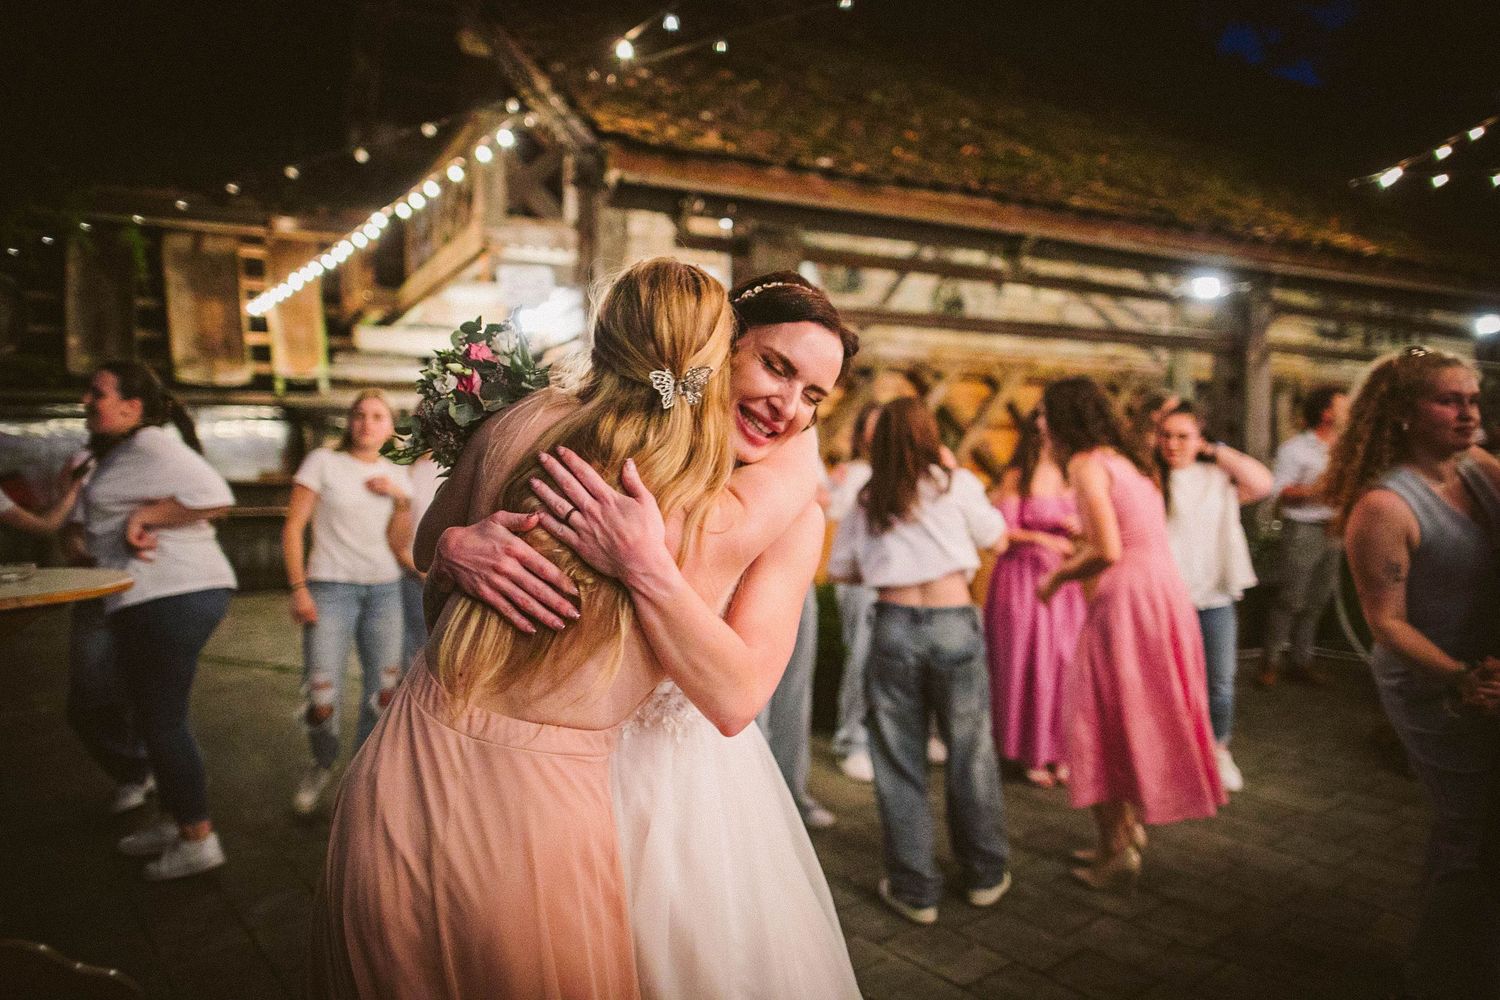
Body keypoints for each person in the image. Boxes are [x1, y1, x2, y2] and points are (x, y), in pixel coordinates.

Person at [418, 270, 862, 999]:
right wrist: (453, 548)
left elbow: (737, 697)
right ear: (717, 347)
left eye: (814, 396)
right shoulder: (582, 442)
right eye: (776, 367)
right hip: (511, 777)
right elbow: (430, 544)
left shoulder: (789, 513)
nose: (787, 407)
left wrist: (647, 567)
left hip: (676, 802)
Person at [1325, 346, 1500, 1000]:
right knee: (1469, 830)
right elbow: (1387, 624)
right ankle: (1440, 976)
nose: (1467, 413)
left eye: (1473, 399)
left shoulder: (1476, 468)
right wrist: (1460, 677)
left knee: (1474, 825)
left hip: (1483, 673)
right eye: (1449, 400)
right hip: (1436, 683)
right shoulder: (1384, 507)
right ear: (1402, 413)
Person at [827, 397, 1012, 925]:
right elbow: (997, 538)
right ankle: (983, 874)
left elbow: (842, 569)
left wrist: (893, 562)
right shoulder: (958, 485)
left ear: (878, 439)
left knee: (898, 759)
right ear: (932, 435)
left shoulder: (869, 496)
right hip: (955, 621)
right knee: (969, 753)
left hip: (894, 624)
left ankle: (914, 889)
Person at [1037, 376, 1223, 891]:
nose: (1039, 424)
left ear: (1065, 418)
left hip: (1127, 600)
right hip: (1162, 593)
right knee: (1129, 712)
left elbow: (1108, 551)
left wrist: (1056, 578)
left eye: (1044, 414)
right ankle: (1120, 836)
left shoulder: (1084, 464)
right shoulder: (1127, 461)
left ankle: (1117, 851)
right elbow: (1127, 532)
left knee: (1097, 717)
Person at [70, 361, 237, 880]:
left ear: (131, 406)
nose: (86, 401)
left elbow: (214, 496)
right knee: (151, 716)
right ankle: (174, 819)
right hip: (154, 594)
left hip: (171, 592)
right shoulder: (124, 452)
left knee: (162, 719)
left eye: (97, 393)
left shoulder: (152, 444)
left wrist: (145, 518)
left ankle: (197, 837)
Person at [281, 389, 414, 816]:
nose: (367, 423)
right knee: (322, 699)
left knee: (384, 694)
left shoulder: (399, 475)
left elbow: (398, 546)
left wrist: (399, 499)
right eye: (360, 415)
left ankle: (358, 778)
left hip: (384, 591)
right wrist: (299, 588)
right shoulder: (323, 462)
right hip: (329, 589)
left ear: (390, 427)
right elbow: (292, 528)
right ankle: (321, 763)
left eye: (378, 416)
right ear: (349, 421)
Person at [1155, 403, 1273, 793]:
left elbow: (1263, 483)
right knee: (1168, 682)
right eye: (1166, 435)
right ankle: (1171, 754)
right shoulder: (1152, 481)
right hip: (1166, 598)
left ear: (1199, 440)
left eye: (1182, 436)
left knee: (1219, 682)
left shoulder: (1217, 478)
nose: (1172, 444)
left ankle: (1218, 749)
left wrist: (1215, 450)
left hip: (1214, 597)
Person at [983, 409, 1085, 788]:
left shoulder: (1073, 474)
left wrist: (1077, 529)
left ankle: (1061, 750)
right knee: (1028, 665)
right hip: (1022, 580)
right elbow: (1002, 533)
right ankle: (1029, 752)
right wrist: (1044, 537)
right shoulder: (1017, 477)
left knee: (1065, 664)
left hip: (1064, 583)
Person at [1258, 384, 1349, 687]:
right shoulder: (1294, 449)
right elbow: (1281, 493)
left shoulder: (1347, 448)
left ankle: (1301, 661)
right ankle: (1269, 662)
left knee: (1318, 600)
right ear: (1326, 413)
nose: (1348, 410)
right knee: (1290, 599)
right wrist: (1322, 490)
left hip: (1334, 529)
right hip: (1303, 529)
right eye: (1342, 405)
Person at [827, 401, 882, 782]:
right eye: (872, 427)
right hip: (859, 580)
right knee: (861, 659)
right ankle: (852, 739)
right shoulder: (856, 474)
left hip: (893, 581)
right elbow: (835, 510)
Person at [398, 453, 441, 668]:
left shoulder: (460, 463)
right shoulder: (403, 470)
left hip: (449, 574)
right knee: (415, 650)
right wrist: (419, 569)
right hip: (413, 572)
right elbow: (396, 535)